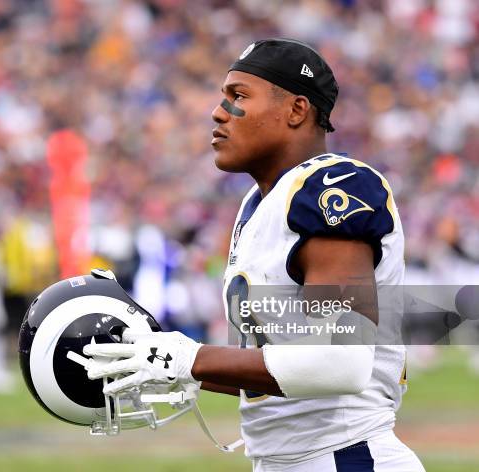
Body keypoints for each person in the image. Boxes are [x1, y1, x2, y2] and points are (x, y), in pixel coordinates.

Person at [85, 39, 425, 471]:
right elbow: (279, 366)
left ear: (297, 110)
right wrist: (158, 362)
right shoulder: (258, 204)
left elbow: (340, 363)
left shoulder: (331, 188)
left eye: (239, 96)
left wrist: (191, 357)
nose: (218, 111)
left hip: (345, 456)